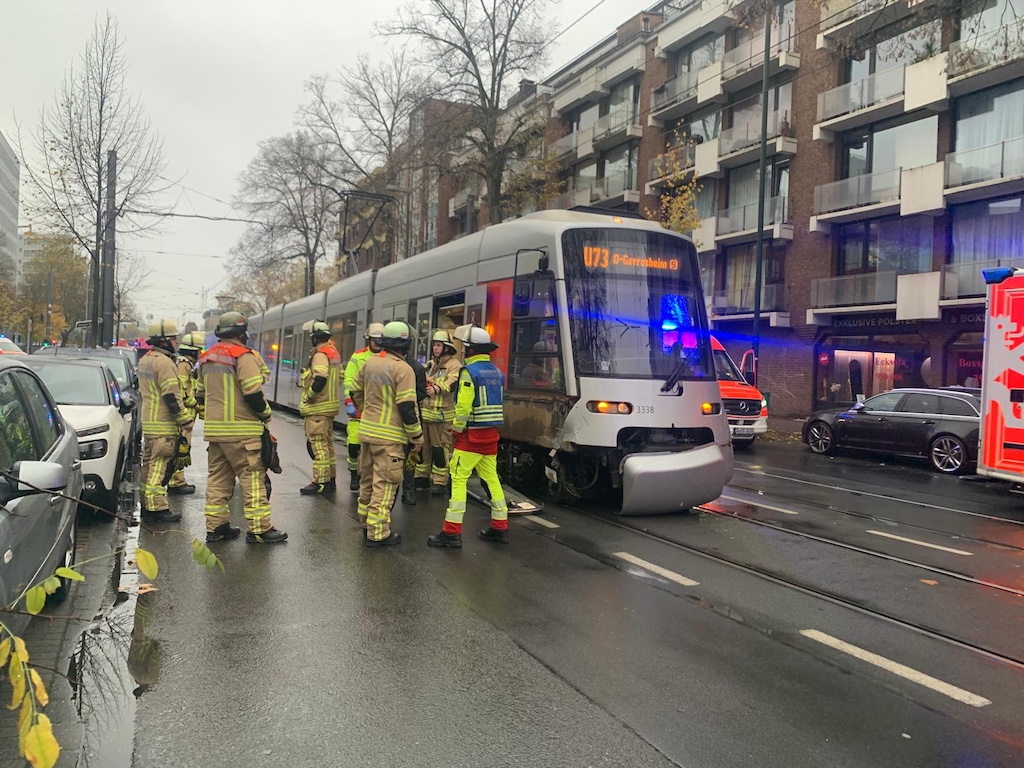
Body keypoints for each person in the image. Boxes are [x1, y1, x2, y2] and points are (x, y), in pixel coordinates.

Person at [197, 311, 287, 544]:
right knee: (253, 480)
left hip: (216, 433)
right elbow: (253, 393)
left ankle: (216, 528)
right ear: (242, 333)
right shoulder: (243, 356)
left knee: (218, 480)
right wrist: (265, 415)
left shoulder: (207, 357)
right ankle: (259, 530)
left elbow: (200, 394)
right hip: (243, 432)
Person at [428, 325, 509, 548]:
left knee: (458, 480)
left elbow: (463, 408)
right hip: (491, 436)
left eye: (465, 347)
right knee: (492, 480)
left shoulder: (468, 373)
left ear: (472, 350)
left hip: (470, 438)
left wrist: (455, 431)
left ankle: (451, 532)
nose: (462, 351)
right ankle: (500, 527)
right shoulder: (497, 372)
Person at [350, 321, 423, 547]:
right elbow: (407, 408)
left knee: (368, 480)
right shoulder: (404, 369)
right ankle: (378, 533)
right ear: (406, 344)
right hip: (390, 437)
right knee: (385, 484)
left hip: (367, 432)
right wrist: (417, 437)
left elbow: (355, 391)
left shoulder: (370, 363)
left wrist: (367, 411)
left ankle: (366, 522)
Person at [138, 319, 190, 523]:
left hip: (149, 423)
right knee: (159, 467)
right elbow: (171, 395)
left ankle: (146, 503)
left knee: (148, 465)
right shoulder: (165, 363)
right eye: (174, 338)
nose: (177, 343)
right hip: (163, 424)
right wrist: (184, 419)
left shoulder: (146, 360)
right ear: (165, 341)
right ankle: (156, 509)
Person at [299, 320, 342, 495]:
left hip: (318, 408)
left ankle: (320, 482)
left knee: (318, 446)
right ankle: (330, 480)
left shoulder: (320, 354)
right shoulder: (334, 353)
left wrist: (310, 396)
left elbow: (320, 377)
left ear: (315, 338)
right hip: (329, 407)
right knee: (328, 445)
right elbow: (340, 377)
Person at [417, 330, 462, 495]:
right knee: (424, 448)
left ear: (447, 348)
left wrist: (436, 388)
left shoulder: (454, 365)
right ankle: (421, 477)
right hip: (426, 414)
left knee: (439, 449)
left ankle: (439, 481)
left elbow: (453, 383)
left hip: (442, 417)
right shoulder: (430, 365)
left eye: (439, 345)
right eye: (434, 345)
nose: (435, 348)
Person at [343, 323, 385, 492]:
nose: (379, 343)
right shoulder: (358, 356)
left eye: (381, 340)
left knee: (374, 448)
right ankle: (354, 474)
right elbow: (349, 380)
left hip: (378, 410)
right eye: (376, 340)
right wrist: (349, 402)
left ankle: (370, 478)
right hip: (359, 409)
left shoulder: (387, 357)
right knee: (354, 444)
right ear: (369, 339)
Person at [167, 332, 203, 496]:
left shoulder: (188, 364)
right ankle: (176, 482)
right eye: (199, 350)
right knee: (181, 448)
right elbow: (182, 391)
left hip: (187, 415)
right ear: (193, 351)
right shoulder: (184, 365)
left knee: (183, 448)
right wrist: (195, 404)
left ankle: (178, 480)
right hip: (184, 417)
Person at [402, 351, 429, 506]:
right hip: (391, 419)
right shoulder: (385, 364)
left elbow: (421, 392)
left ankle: (408, 491)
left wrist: (406, 398)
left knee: (411, 455)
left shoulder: (416, 368)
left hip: (411, 413)